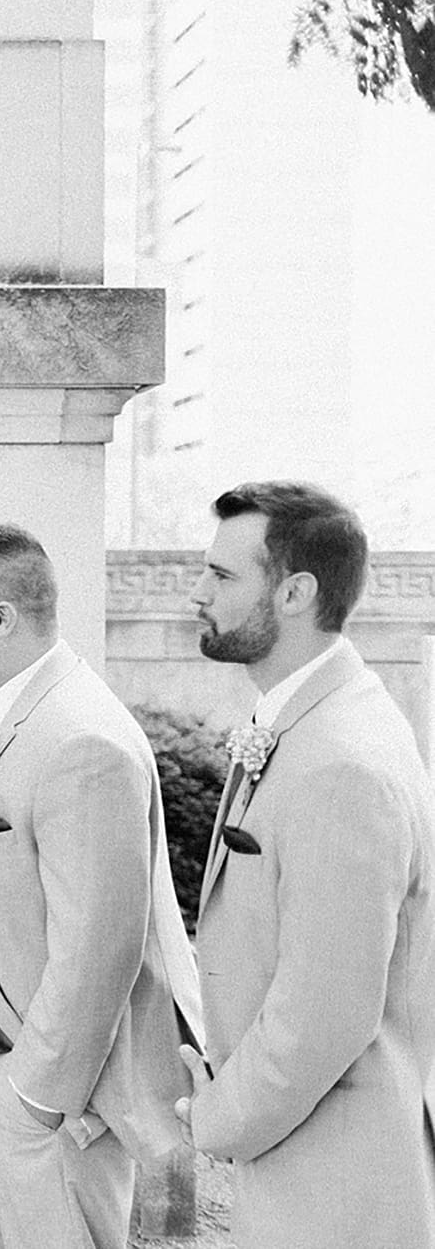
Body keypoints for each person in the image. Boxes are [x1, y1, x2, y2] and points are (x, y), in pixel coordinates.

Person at [0, 524, 199, 1249]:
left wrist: (35, 1095)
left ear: (2, 617)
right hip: (10, 1062)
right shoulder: (15, 712)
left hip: (59, 1096)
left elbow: (100, 945)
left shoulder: (82, 736)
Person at [180, 480, 435, 1246]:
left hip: (338, 1181)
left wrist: (217, 1117)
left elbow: (326, 1011)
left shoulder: (342, 764)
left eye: (223, 576)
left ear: (295, 592)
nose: (197, 592)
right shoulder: (315, 718)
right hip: (305, 1154)